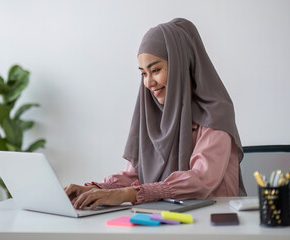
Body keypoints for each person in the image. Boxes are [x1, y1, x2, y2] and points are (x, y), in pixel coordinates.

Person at [65, 18, 246, 210]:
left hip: (210, 219)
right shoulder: (154, 116)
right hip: (163, 218)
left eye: (156, 70)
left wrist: (128, 194)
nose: (148, 83)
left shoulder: (216, 113)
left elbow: (201, 179)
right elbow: (136, 176)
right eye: (143, 73)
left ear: (181, 65)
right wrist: (95, 189)